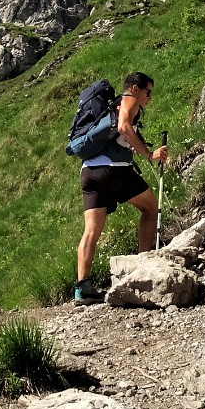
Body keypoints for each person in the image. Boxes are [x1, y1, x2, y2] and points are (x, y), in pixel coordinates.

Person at [74, 72, 169, 305]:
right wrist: (149, 154)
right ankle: (143, 265)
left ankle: (82, 289)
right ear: (135, 89)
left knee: (91, 231)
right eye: (148, 92)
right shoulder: (127, 102)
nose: (150, 98)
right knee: (150, 208)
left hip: (89, 172)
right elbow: (125, 127)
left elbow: (124, 135)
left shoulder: (111, 108)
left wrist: (140, 148)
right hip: (113, 169)